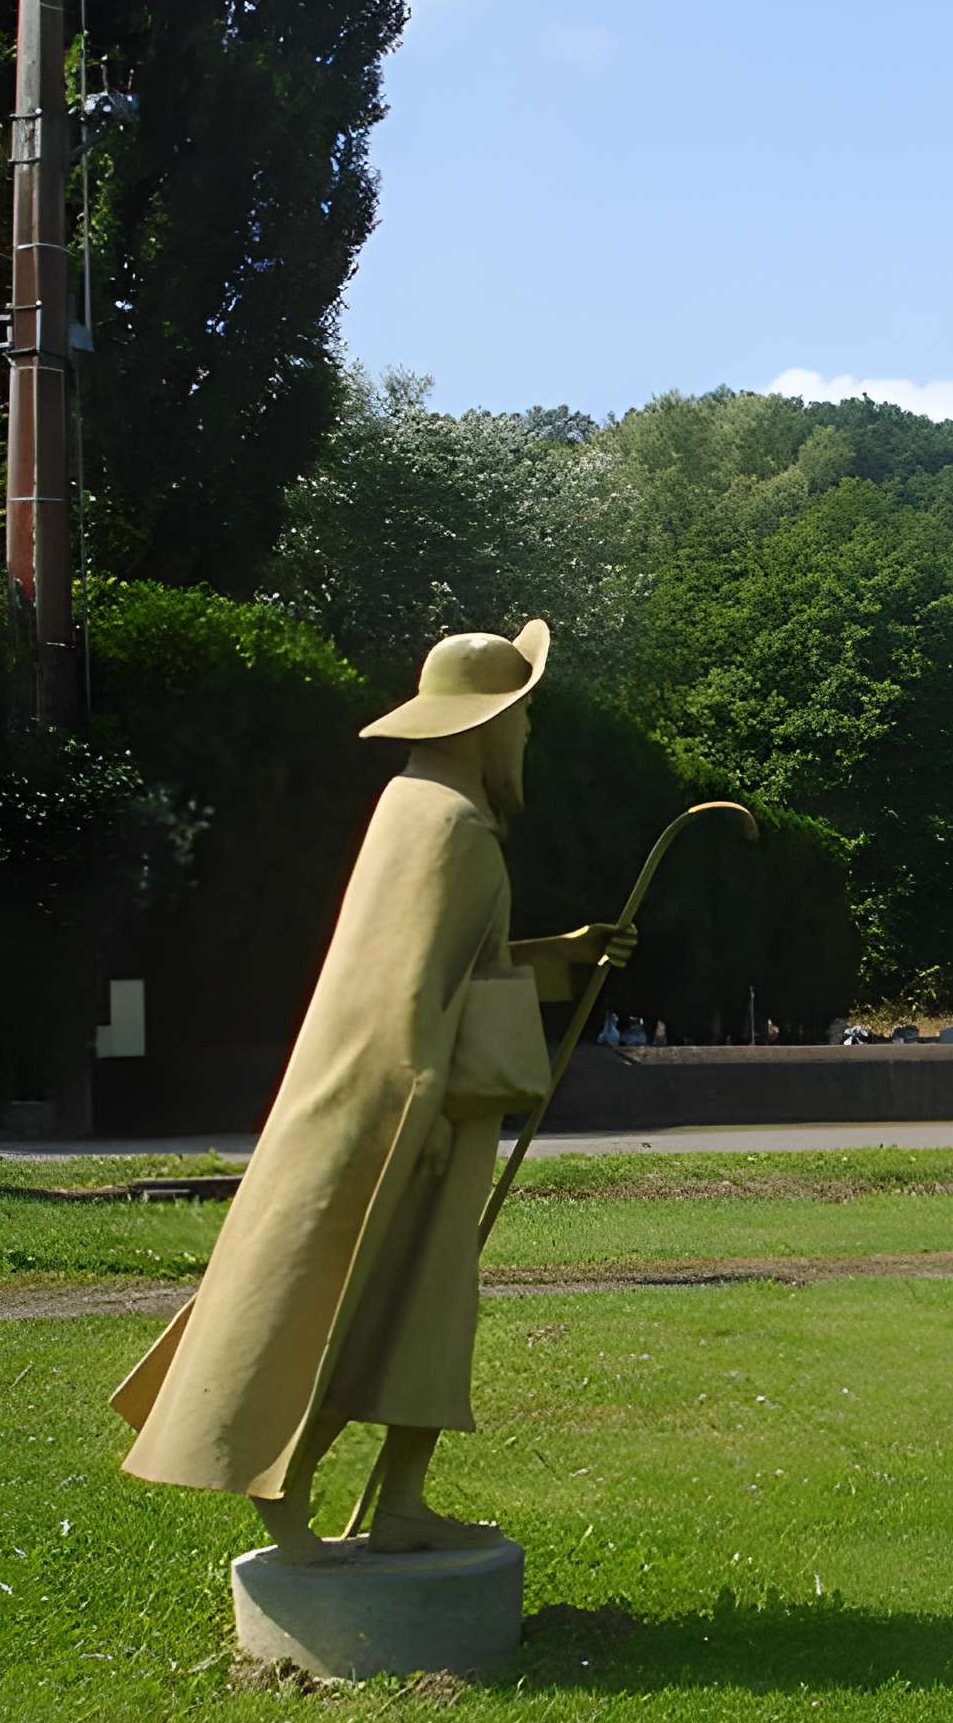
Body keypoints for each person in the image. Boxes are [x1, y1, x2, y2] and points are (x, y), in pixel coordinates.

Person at [110, 621, 631, 1565]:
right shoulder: (451, 827)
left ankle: (400, 1505)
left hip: (416, 1104)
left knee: (427, 1310)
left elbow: (443, 966)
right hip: (404, 1114)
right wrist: (418, 1112)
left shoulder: (415, 808)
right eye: (523, 726)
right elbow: (400, 987)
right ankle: (288, 1497)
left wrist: (563, 959)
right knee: (354, 1304)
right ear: (489, 722)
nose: (527, 745)